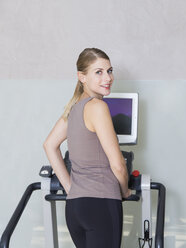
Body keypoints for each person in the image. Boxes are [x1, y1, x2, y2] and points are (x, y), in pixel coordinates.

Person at [43, 48, 131, 248]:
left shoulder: (74, 108)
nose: (107, 78)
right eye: (98, 72)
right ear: (81, 77)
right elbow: (118, 165)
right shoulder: (98, 107)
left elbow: (49, 145)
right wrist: (125, 191)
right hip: (101, 205)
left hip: (75, 208)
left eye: (109, 71)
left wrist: (70, 188)